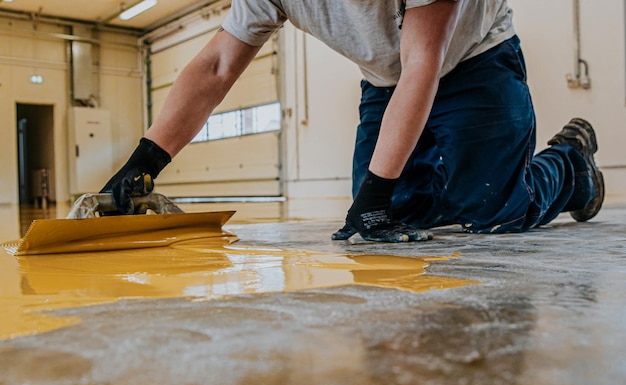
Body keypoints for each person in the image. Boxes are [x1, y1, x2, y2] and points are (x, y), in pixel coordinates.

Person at [101, 0, 604, 243]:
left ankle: (572, 165)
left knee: (493, 207)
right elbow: (217, 66)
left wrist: (374, 194)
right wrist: (144, 161)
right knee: (398, 209)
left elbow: (423, 61)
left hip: (474, 56)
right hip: (386, 78)